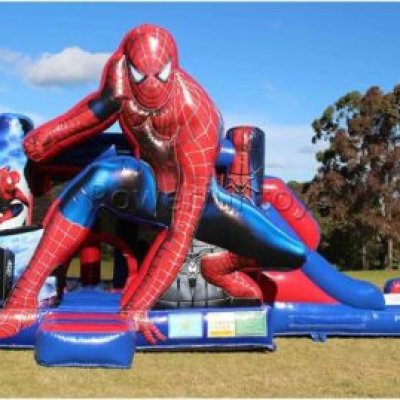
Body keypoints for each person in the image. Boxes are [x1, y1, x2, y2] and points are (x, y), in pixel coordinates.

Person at [0, 24, 306, 344]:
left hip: (202, 204)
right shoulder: (120, 80)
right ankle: (24, 295)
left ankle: (221, 267)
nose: (149, 86)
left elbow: (180, 231)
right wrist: (53, 135)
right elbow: (98, 113)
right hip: (147, 189)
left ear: (173, 68)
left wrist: (139, 305)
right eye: (139, 74)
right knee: (100, 177)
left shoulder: (197, 113)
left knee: (292, 253)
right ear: (128, 66)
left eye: (159, 75)